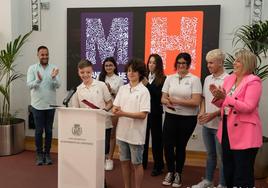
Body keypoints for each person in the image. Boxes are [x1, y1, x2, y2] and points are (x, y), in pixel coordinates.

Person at [210, 49, 263, 188]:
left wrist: (225, 98)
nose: (234, 63)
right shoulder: (230, 79)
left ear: (247, 63)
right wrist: (216, 96)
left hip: (246, 133)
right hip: (227, 129)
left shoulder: (253, 81)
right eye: (235, 60)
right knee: (228, 169)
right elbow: (224, 103)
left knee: (242, 173)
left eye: (238, 60)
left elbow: (248, 107)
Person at [161, 52, 202, 187]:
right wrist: (167, 102)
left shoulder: (194, 80)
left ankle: (178, 173)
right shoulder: (170, 78)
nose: (181, 65)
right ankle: (170, 171)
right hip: (170, 116)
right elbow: (163, 97)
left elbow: (196, 102)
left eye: (184, 63)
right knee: (167, 146)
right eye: (179, 63)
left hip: (187, 119)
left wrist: (177, 100)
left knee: (180, 146)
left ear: (189, 64)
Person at [192, 49, 228, 188]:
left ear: (220, 62)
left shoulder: (228, 79)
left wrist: (213, 114)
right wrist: (202, 112)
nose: (208, 65)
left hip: (221, 125)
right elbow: (203, 99)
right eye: (207, 63)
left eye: (211, 63)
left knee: (222, 158)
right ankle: (208, 181)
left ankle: (222, 184)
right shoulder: (207, 79)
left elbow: (229, 105)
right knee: (210, 155)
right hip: (207, 126)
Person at [112, 58, 150, 188]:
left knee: (137, 164)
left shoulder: (144, 91)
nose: (131, 73)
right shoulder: (123, 89)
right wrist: (115, 109)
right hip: (122, 133)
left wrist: (123, 113)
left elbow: (143, 115)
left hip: (136, 135)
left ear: (140, 73)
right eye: (129, 70)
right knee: (124, 162)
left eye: (134, 71)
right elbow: (115, 106)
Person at [71, 59, 113, 164]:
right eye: (82, 72)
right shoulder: (78, 90)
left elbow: (109, 103)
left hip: (103, 124)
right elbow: (75, 110)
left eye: (88, 72)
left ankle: (101, 180)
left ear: (92, 71)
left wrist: (104, 110)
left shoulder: (101, 85)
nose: (85, 75)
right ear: (78, 72)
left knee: (102, 154)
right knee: (89, 153)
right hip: (87, 126)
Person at [27, 45, 61, 165]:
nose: (45, 56)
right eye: (42, 54)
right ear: (38, 55)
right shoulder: (32, 68)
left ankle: (47, 154)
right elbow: (29, 85)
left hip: (51, 105)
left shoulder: (54, 68)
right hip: (37, 105)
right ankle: (39, 154)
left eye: (46, 54)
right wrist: (38, 80)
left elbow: (58, 85)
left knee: (49, 131)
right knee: (38, 131)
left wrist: (53, 78)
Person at [98, 57, 124, 171]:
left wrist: (111, 90)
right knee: (101, 134)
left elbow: (121, 96)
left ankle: (109, 159)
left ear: (114, 66)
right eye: (106, 65)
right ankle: (101, 157)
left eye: (110, 65)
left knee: (112, 135)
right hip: (102, 109)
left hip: (113, 109)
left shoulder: (119, 79)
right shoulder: (100, 78)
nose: (108, 67)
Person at [142, 54, 166, 176]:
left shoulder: (163, 78)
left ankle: (158, 166)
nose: (151, 65)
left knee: (157, 140)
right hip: (143, 112)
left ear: (158, 65)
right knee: (143, 139)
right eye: (149, 62)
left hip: (155, 112)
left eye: (154, 63)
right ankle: (143, 163)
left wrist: (148, 85)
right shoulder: (144, 76)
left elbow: (158, 96)